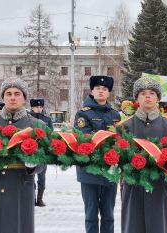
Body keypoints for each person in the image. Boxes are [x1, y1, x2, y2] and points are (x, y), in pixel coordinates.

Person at [116, 76, 167, 233]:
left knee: (160, 228)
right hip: (133, 189)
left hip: (161, 188)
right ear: (136, 97)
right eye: (143, 93)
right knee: (132, 227)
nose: (147, 96)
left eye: (152, 93)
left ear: (158, 97)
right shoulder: (124, 127)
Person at [0, 78, 46, 233]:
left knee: (20, 226)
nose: (12, 97)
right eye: (8, 93)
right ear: (3, 97)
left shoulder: (36, 125)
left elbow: (44, 161)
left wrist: (33, 163)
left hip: (21, 184)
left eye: (17, 94)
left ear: (24, 98)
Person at [74, 75, 121, 233]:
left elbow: (120, 141)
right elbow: (84, 141)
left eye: (105, 89)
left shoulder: (116, 115)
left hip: (110, 171)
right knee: (91, 215)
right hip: (89, 171)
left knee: (108, 215)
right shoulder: (83, 114)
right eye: (98, 88)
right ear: (92, 91)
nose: (101, 91)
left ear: (109, 93)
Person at [30, 98, 54, 207]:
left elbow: (51, 134)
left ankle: (39, 199)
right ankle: (31, 197)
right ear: (32, 107)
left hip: (43, 151)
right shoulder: (28, 119)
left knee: (42, 176)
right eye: (36, 107)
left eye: (40, 107)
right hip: (30, 150)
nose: (38, 109)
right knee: (31, 175)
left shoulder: (47, 119)